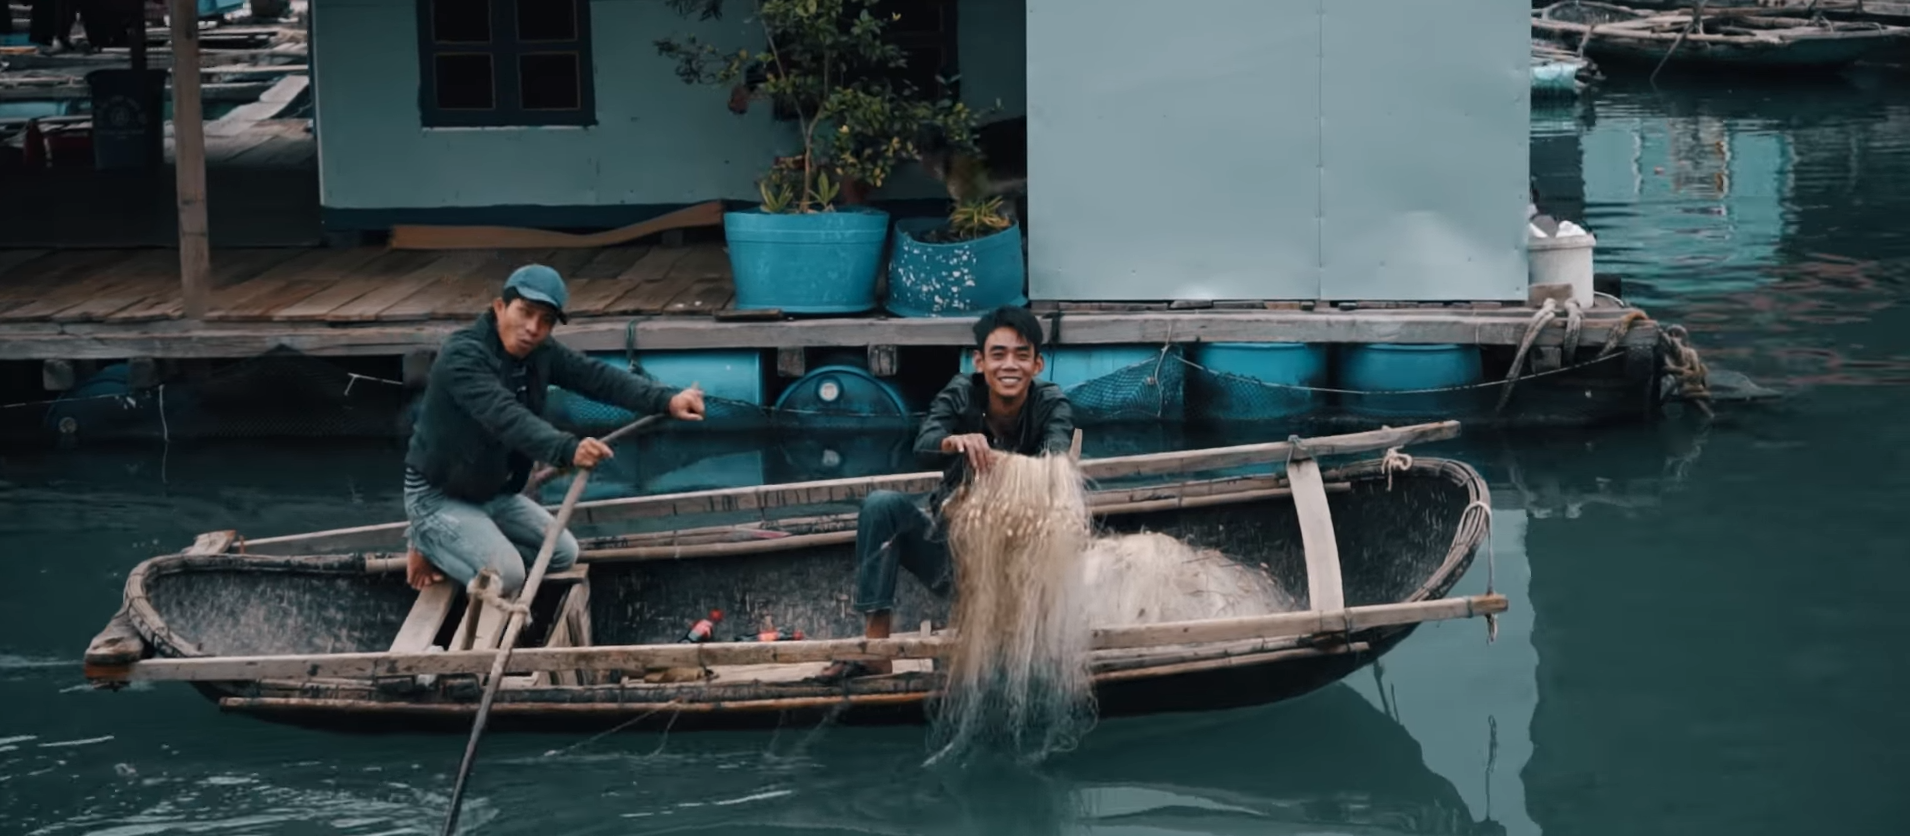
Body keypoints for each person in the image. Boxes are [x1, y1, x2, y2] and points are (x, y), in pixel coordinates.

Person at [402, 264, 705, 594]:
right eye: (526, 312)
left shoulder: (539, 352)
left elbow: (596, 377)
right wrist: (568, 449)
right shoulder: (463, 355)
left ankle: (465, 542)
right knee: (509, 575)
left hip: (492, 492)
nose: (533, 328)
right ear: (500, 307)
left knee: (563, 555)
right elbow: (505, 416)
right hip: (438, 493)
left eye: (545, 320)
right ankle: (426, 538)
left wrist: (667, 400)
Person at [817, 305, 1075, 682]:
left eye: (1022, 356)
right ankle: (876, 649)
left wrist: (998, 462)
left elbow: (1057, 460)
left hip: (1023, 565)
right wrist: (954, 442)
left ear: (1037, 366)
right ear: (979, 362)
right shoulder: (960, 393)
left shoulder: (1051, 404)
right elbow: (924, 443)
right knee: (881, 506)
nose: (1009, 366)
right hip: (954, 557)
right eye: (998, 354)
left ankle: (1021, 638)